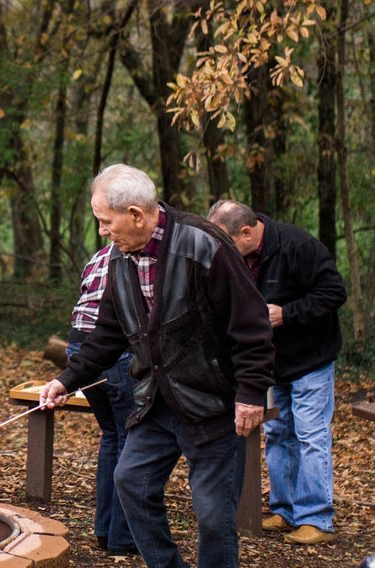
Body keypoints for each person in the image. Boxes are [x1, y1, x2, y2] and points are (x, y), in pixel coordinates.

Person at [40, 163, 274, 568]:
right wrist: (67, 380)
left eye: (105, 221)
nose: (102, 231)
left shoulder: (204, 245)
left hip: (212, 404)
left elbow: (251, 324)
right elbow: (109, 333)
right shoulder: (119, 257)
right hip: (156, 401)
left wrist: (252, 393)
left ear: (136, 214)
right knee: (130, 482)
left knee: (214, 517)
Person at [208, 199, 346, 545]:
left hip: (311, 359)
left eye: (227, 242)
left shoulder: (299, 246)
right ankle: (285, 511)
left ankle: (317, 519)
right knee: (278, 435)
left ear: (247, 231)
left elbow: (333, 293)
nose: (222, 250)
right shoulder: (235, 257)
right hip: (271, 364)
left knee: (311, 435)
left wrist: (286, 314)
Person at [66, 243, 137, 556]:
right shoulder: (139, 257)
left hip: (77, 349)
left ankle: (104, 529)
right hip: (112, 352)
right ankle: (122, 537)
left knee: (112, 435)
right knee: (130, 440)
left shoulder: (98, 254)